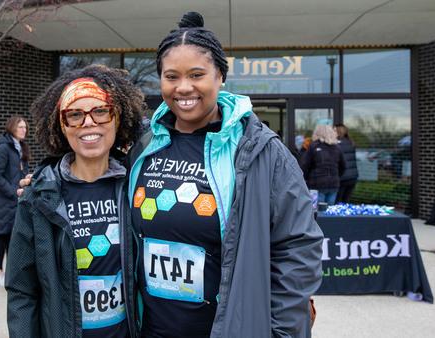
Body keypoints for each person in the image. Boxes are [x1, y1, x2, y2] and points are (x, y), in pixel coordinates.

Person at [127, 11, 323, 337]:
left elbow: (299, 247)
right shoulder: (141, 146)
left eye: (197, 74)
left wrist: (280, 329)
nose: (183, 87)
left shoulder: (261, 151)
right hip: (151, 329)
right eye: (171, 76)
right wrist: (43, 183)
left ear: (220, 76)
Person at [5, 65, 144, 337]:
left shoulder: (136, 186)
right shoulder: (39, 198)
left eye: (101, 111)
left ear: (118, 118)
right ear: (62, 125)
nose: (88, 123)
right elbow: (22, 291)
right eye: (75, 115)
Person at [0, 116, 30, 287]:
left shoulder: (20, 147)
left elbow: (17, 174)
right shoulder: (4, 147)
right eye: (21, 127)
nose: (24, 130)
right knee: (3, 235)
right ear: (12, 128)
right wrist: (14, 191)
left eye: (25, 127)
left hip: (17, 198)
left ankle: (12, 273)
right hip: (5, 199)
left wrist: (26, 180)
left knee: (13, 236)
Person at [301, 124, 346, 206]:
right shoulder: (337, 147)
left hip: (317, 184)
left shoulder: (313, 146)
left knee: (318, 212)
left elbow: (305, 166)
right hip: (333, 184)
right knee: (329, 212)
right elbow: (343, 167)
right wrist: (335, 176)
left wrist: (306, 179)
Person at [334, 124, 358, 203]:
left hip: (342, 177)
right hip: (353, 177)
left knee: (337, 202)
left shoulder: (336, 144)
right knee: (346, 201)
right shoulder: (351, 142)